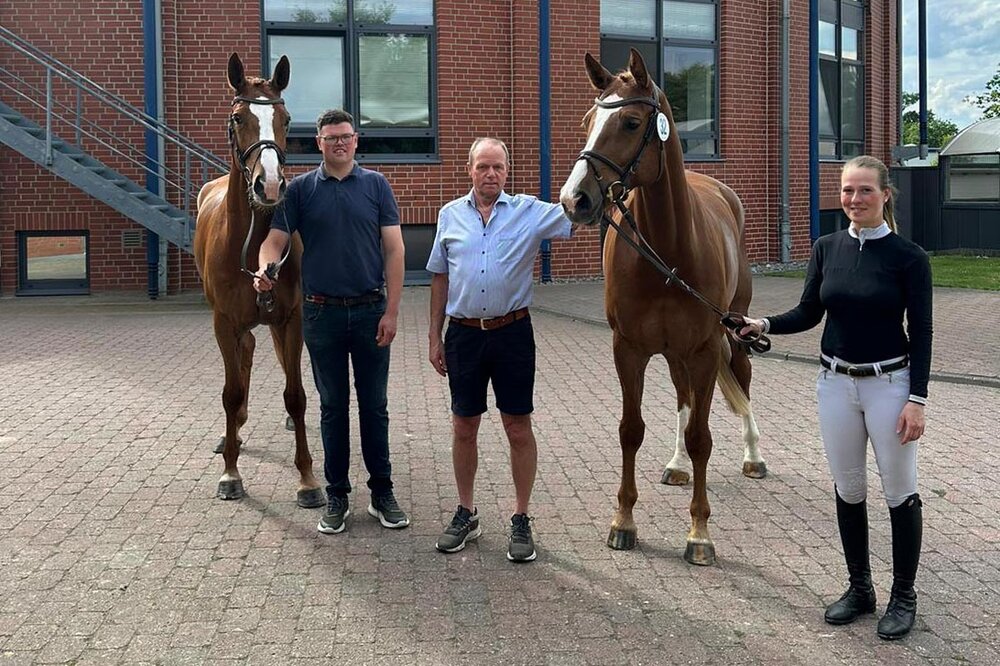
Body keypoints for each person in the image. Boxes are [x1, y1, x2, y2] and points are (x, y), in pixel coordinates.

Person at [739, 155, 932, 640]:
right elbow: (809, 311)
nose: (854, 200)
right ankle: (860, 589)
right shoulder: (826, 247)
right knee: (849, 489)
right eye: (847, 190)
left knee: (899, 492)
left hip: (890, 385)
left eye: (865, 190)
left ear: (886, 194)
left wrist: (918, 399)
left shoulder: (910, 257)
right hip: (835, 385)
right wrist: (762, 324)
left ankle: (903, 596)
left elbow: (923, 333)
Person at [254, 109, 408, 534]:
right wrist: (266, 267)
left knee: (375, 407)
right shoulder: (301, 191)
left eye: (345, 136)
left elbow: (394, 251)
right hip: (320, 313)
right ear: (318, 143)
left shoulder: (376, 186)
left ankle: (382, 493)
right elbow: (274, 241)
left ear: (356, 141)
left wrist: (392, 311)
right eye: (330, 137)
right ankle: (337, 496)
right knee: (332, 408)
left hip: (369, 312)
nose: (339, 143)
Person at [426, 137, 572, 562]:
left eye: (498, 168)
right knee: (463, 426)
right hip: (464, 335)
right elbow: (439, 278)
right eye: (483, 167)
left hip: (512, 334)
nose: (491, 174)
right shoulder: (449, 216)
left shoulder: (529, 212)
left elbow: (576, 212)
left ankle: (521, 518)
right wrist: (435, 336)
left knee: (517, 427)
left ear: (507, 172)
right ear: (469, 170)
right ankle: (466, 511)